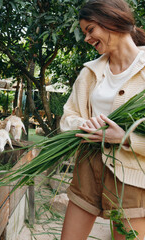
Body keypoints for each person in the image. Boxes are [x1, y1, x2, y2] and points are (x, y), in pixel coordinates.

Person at [60, 0, 145, 239]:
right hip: (88, 166)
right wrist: (82, 125)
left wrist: (127, 138)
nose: (87, 38)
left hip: (130, 175)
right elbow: (68, 117)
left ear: (112, 20)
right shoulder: (90, 72)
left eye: (90, 30)